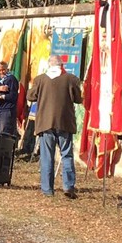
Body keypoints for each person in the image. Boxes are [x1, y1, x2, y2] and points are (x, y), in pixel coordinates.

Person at [27, 55, 83, 198]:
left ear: (49, 64)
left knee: (47, 156)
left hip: (46, 123)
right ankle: (68, 186)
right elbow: (78, 99)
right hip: (64, 122)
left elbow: (30, 96)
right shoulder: (71, 79)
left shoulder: (40, 79)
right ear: (61, 65)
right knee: (67, 155)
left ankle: (47, 189)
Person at [0, 60, 20, 136]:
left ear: (7, 69)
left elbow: (13, 96)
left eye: (3, 70)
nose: (2, 72)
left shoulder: (11, 79)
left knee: (4, 135)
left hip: (7, 111)